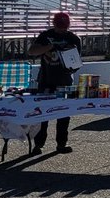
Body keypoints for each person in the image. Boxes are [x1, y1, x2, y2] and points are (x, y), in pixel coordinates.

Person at [28, 11, 82, 154]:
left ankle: (61, 144)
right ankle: (38, 145)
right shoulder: (45, 36)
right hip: (46, 80)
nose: (61, 29)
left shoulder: (74, 39)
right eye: (59, 26)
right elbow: (32, 51)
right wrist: (49, 48)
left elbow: (77, 62)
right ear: (54, 24)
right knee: (42, 114)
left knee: (64, 114)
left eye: (64, 26)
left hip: (64, 82)